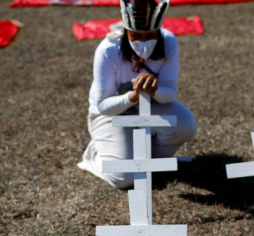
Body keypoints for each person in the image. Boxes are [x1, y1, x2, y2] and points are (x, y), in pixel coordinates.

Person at [78, 0, 197, 189]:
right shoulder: (108, 50)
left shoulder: (168, 41)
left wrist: (154, 90)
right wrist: (132, 96)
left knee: (185, 124)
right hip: (111, 114)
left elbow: (170, 94)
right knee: (124, 178)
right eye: (136, 36)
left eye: (150, 35)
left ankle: (144, 159)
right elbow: (103, 107)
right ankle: (94, 151)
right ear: (126, 31)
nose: (144, 42)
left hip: (148, 105)